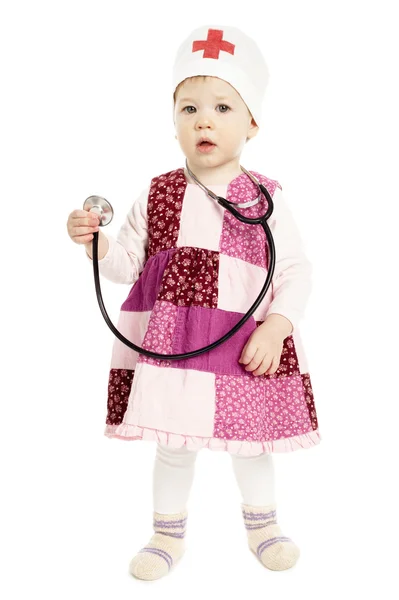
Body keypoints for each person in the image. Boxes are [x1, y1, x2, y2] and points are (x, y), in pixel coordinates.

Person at [66, 25, 321, 581]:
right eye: (189, 108)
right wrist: (95, 242)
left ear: (252, 123)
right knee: (173, 446)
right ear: (174, 121)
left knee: (250, 445)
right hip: (175, 345)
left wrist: (277, 325)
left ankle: (263, 529)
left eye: (223, 107)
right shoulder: (156, 193)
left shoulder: (264, 197)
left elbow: (297, 268)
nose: (204, 119)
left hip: (242, 342)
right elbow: (124, 266)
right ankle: (167, 535)